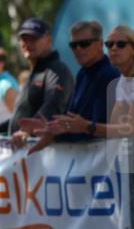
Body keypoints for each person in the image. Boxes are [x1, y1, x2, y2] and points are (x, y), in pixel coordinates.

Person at [46, 25, 134, 139]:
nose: (114, 48)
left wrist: (86, 127)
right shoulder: (123, 80)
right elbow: (114, 126)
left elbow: (131, 129)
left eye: (121, 44)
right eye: (109, 44)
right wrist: (67, 129)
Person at [0, 18, 74, 150]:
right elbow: (21, 118)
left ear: (49, 40)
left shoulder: (57, 70)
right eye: (24, 39)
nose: (28, 43)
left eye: (34, 39)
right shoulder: (36, 73)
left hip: (44, 155)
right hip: (25, 154)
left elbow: (53, 108)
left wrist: (27, 131)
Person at [21, 20, 121, 152]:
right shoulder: (82, 74)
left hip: (103, 158)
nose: (78, 49)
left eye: (84, 44)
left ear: (100, 44)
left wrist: (61, 133)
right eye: (73, 45)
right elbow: (73, 122)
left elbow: (105, 129)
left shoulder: (110, 75)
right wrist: (51, 129)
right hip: (82, 157)